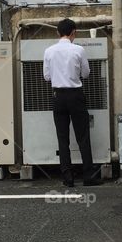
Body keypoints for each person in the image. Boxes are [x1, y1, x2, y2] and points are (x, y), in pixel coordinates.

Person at [43, 18, 99, 187]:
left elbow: (46, 77)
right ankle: (88, 176)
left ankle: (68, 178)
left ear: (58, 33)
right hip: (75, 95)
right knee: (83, 136)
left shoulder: (49, 51)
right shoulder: (79, 50)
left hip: (58, 96)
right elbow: (86, 73)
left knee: (62, 138)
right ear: (73, 32)